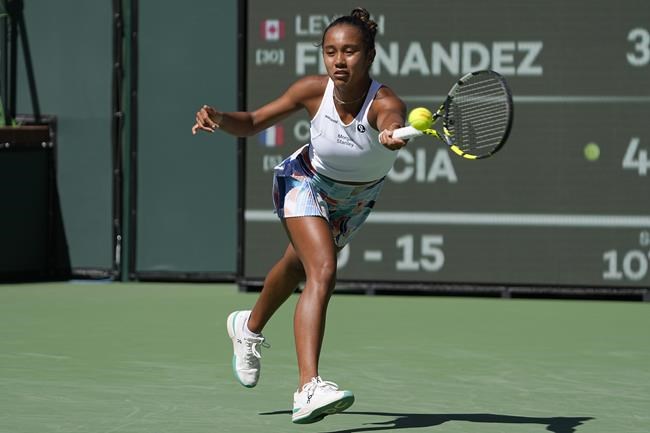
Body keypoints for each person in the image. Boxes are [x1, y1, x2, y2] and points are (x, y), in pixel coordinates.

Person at [192, 7, 407, 424]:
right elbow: (253, 121)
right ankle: (308, 386)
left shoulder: (385, 102)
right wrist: (221, 119)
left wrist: (389, 132)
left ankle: (247, 327)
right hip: (303, 180)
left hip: (354, 201)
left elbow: (391, 118)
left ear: (370, 55)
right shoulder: (312, 90)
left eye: (350, 51)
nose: (339, 61)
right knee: (322, 268)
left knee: (296, 266)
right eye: (330, 52)